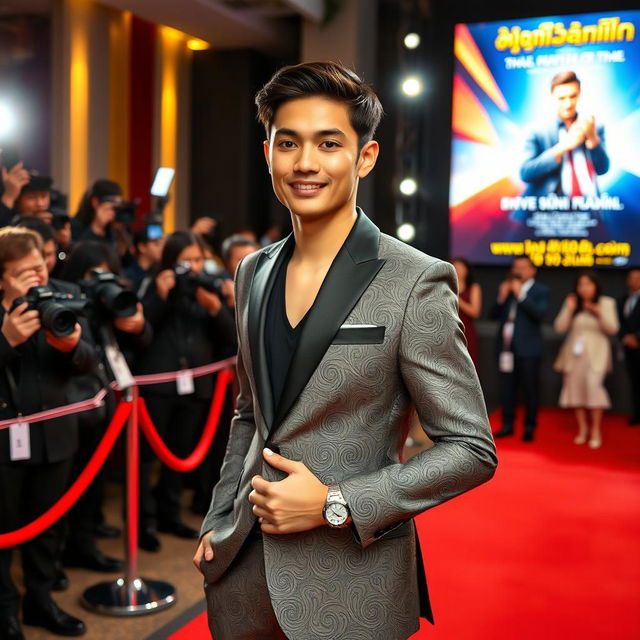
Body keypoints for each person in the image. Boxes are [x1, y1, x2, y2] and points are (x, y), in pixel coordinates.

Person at [193, 60, 497, 640]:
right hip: (240, 579)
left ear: (365, 157)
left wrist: (337, 503)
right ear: (268, 155)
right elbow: (248, 413)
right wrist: (217, 517)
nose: (305, 162)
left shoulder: (416, 280)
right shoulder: (251, 272)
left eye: (328, 143)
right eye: (289, 143)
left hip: (352, 589)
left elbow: (471, 448)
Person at [0, 227, 94, 639]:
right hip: (5, 440)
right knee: (3, 530)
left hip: (55, 432)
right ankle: (4, 611)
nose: (37, 276)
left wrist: (71, 346)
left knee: (48, 527)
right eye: (24, 273)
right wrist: (5, 340)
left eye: (40, 265)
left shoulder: (65, 296)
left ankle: (41, 601)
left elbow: (89, 361)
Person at [136, 231, 236, 552]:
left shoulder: (206, 288)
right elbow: (140, 334)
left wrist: (215, 308)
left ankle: (170, 514)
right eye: (185, 261)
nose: (192, 267)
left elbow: (231, 339)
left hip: (196, 385)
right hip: (158, 384)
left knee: (180, 455)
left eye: (197, 260)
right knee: (146, 459)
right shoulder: (154, 284)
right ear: (171, 261)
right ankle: (143, 524)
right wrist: (159, 297)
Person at [554, 271, 619, 448]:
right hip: (574, 356)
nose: (584, 289)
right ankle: (583, 429)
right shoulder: (573, 303)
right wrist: (568, 308)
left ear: (596, 286)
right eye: (581, 285)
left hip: (597, 355)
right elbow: (559, 327)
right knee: (575, 392)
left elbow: (612, 329)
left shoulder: (606, 303)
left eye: (588, 284)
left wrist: (599, 314)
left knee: (593, 389)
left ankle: (596, 429)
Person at [520, 70, 609, 198]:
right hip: (547, 210)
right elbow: (525, 173)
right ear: (552, 97)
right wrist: (563, 146)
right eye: (561, 98)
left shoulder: (594, 127)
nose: (568, 104)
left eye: (573, 96)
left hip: (589, 208)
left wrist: (592, 138)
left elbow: (602, 169)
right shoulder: (536, 130)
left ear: (579, 94)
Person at [490, 256, 550, 442]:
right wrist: (501, 297)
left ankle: (529, 426)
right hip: (506, 347)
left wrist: (521, 296)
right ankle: (508, 424)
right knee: (507, 388)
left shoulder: (541, 291)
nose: (519, 270)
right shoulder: (507, 288)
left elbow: (540, 314)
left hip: (528, 347)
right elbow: (492, 315)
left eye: (523, 267)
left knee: (530, 388)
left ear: (533, 271)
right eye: (516, 267)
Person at [618, 268, 640, 426]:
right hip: (628, 347)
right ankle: (637, 413)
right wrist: (626, 337)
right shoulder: (623, 299)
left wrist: (637, 337)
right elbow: (619, 322)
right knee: (634, 382)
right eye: (631, 278)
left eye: (637, 278)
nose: (634, 281)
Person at [451, 257, 481, 366]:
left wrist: (457, 298)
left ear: (467, 270)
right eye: (455, 268)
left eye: (460, 268)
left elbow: (475, 312)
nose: (458, 271)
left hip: (466, 331)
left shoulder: (473, 287)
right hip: (449, 331)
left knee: (467, 365)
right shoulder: (445, 286)